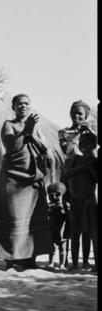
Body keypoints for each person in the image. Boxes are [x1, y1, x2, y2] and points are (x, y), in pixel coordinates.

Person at [0, 94, 53, 271]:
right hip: (13, 179)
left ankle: (31, 260)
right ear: (13, 107)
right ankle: (10, 260)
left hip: (33, 179)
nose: (23, 106)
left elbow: (44, 148)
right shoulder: (8, 125)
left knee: (33, 219)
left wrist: (32, 132)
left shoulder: (36, 126)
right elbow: (12, 147)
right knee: (12, 218)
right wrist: (26, 130)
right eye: (19, 104)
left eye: (26, 104)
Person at [58, 100, 96, 270]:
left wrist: (90, 132)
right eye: (74, 112)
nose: (77, 116)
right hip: (70, 180)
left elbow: (94, 152)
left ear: (86, 115)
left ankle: (87, 261)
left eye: (80, 113)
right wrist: (79, 135)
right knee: (73, 227)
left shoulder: (91, 134)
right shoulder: (64, 132)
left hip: (87, 180)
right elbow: (67, 151)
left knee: (89, 227)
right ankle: (70, 262)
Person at [64, 131, 98, 272]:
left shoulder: (95, 161)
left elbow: (97, 178)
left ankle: (94, 263)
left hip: (89, 201)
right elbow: (67, 173)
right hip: (75, 201)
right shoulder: (76, 159)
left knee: (93, 234)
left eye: (89, 144)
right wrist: (81, 167)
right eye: (82, 143)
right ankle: (75, 263)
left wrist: (89, 166)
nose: (85, 147)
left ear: (94, 146)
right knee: (75, 234)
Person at [45, 181, 70, 270]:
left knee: (63, 248)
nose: (49, 197)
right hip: (52, 229)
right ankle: (51, 262)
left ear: (58, 194)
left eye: (50, 194)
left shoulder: (65, 205)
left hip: (62, 231)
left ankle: (62, 264)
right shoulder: (49, 205)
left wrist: (64, 208)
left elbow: (68, 217)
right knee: (52, 247)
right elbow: (46, 214)